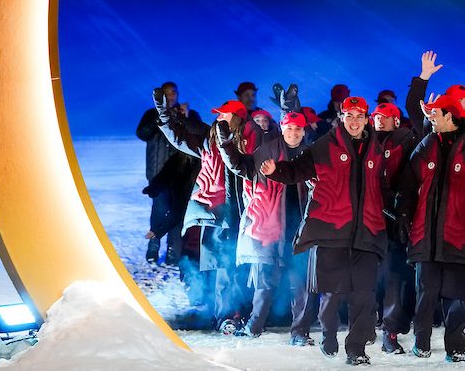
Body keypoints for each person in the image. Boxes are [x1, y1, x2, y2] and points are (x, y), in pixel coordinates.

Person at [263, 95, 389, 363]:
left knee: (364, 295)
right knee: (331, 294)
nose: (354, 122)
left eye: (359, 116)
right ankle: (328, 333)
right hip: (332, 232)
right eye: (349, 116)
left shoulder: (375, 148)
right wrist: (276, 170)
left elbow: (382, 186)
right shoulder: (325, 145)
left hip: (366, 233)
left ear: (366, 119)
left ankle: (356, 350)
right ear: (341, 117)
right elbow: (298, 170)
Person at [393, 94, 465, 363]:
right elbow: (407, 187)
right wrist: (404, 215)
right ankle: (422, 342)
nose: (430, 118)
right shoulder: (426, 145)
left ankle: (456, 347)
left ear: (449, 116)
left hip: (461, 238)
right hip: (426, 237)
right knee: (425, 294)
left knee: (459, 296)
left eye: (435, 114)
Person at [216, 86, 309, 339]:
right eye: (289, 128)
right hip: (269, 226)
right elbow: (240, 166)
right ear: (282, 127)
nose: (294, 133)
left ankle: (299, 332)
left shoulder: (309, 154)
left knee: (299, 282)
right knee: (265, 284)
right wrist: (225, 142)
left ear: (303, 131)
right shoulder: (267, 151)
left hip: (301, 227)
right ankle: (254, 327)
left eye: (298, 129)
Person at [152, 91, 249, 334]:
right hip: (213, 213)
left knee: (237, 268)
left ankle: (239, 314)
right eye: (217, 115)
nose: (218, 119)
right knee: (220, 266)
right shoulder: (209, 142)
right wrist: (165, 116)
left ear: (237, 118)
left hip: (242, 214)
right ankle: (224, 316)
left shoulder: (248, 143)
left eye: (224, 115)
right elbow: (180, 138)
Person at [136, 81, 205, 264]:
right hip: (158, 171)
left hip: (183, 172)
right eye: (166, 94)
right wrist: (160, 116)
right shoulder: (152, 114)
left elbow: (199, 135)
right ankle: (154, 244)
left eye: (173, 93)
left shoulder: (188, 114)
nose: (171, 97)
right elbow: (142, 134)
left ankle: (174, 249)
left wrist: (186, 117)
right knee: (159, 208)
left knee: (178, 210)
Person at [371, 101, 419, 355]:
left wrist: (399, 208)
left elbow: (410, 180)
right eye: (377, 116)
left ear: (396, 121)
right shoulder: (363, 141)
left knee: (394, 277)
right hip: (367, 220)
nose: (380, 120)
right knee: (368, 276)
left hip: (394, 219)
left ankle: (390, 329)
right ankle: (369, 324)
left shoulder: (406, 141)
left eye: (386, 117)